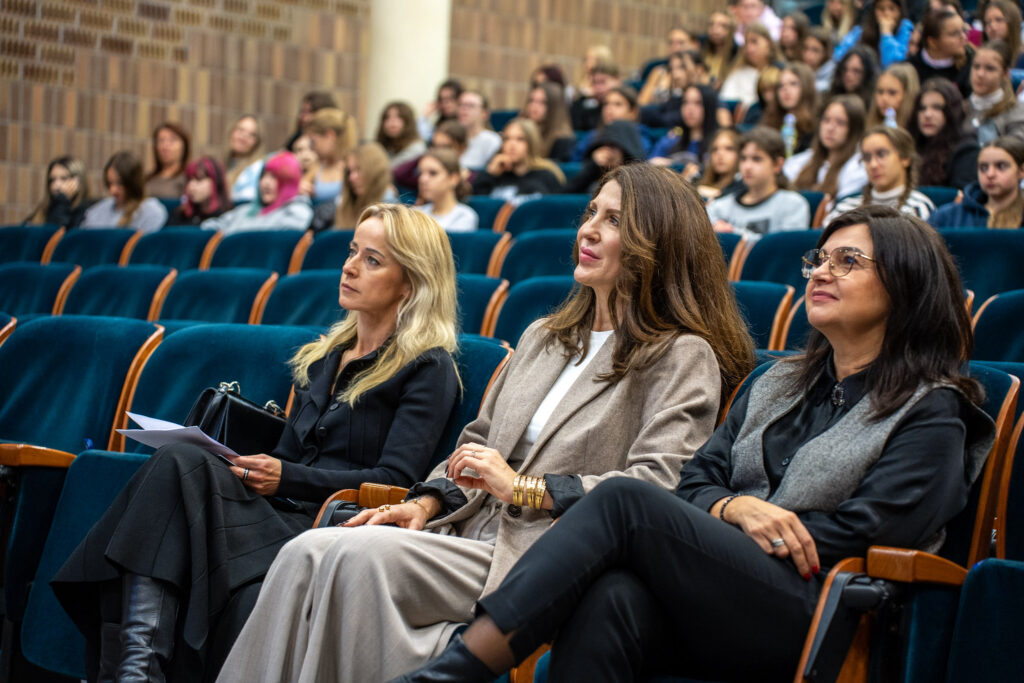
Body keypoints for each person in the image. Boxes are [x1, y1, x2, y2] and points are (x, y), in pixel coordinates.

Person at [395, 204, 995, 683]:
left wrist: (750, 525)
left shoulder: (934, 411)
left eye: (848, 260)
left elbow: (871, 534)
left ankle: (452, 674)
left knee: (625, 501)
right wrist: (733, 507)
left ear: (907, 285)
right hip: (724, 593)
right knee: (613, 597)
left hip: (823, 609)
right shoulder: (777, 382)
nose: (819, 271)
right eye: (819, 258)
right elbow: (697, 480)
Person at [216, 163, 757, 683]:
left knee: (349, 562)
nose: (588, 229)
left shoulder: (680, 356)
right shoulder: (544, 337)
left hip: (541, 554)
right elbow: (475, 444)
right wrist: (424, 502)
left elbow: (657, 486)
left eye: (613, 221)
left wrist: (521, 486)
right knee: (306, 552)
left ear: (656, 244)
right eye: (591, 212)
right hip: (465, 529)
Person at [53, 203, 461, 683]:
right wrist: (246, 464)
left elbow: (395, 481)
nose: (349, 266)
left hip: (325, 528)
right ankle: (138, 671)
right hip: (271, 513)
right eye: (353, 251)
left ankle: (135, 671)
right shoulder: (325, 356)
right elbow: (290, 453)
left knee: (179, 467)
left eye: (373, 260)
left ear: (410, 283)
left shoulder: (428, 369)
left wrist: (284, 476)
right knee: (181, 462)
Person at [707, 126, 812, 240]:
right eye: (743, 158)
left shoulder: (793, 205)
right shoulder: (719, 207)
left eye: (756, 159)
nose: (747, 166)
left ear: (777, 165)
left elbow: (784, 250)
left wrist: (732, 232)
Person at [825, 126, 936, 223]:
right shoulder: (845, 207)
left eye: (881, 154)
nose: (873, 165)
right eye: (867, 157)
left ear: (905, 158)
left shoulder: (919, 207)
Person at [785, 94, 869, 205]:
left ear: (854, 129)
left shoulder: (858, 167)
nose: (830, 128)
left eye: (840, 123)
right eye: (826, 120)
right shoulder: (802, 159)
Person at [201, 152, 313, 234]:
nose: (265, 183)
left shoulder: (296, 212)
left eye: (274, 177)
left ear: (289, 181)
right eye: (263, 176)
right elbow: (209, 227)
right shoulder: (245, 210)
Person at [930, 135, 1024, 228]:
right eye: (983, 168)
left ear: (1021, 171)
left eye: (1001, 166)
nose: (990, 174)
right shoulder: (947, 217)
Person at [909, 77, 980, 189]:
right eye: (922, 108)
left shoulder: (966, 149)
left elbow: (959, 195)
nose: (927, 115)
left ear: (952, 111)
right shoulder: (913, 145)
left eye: (937, 108)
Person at [471, 118, 564, 202]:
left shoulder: (546, 175)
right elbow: (478, 205)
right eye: (507, 139)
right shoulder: (496, 175)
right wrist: (490, 174)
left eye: (520, 139)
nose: (512, 145)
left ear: (531, 143)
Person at [81, 151, 168, 233]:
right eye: (109, 183)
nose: (113, 190)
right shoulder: (98, 210)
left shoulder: (151, 211)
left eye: (119, 184)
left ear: (133, 183)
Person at [649, 85, 719, 178]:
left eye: (698, 103)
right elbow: (650, 166)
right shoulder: (671, 140)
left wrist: (672, 165)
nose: (689, 109)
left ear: (709, 106)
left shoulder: (719, 144)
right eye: (685, 102)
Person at [563, 120, 645, 194]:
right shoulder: (593, 171)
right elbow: (566, 192)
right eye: (602, 145)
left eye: (612, 146)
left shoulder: (640, 178)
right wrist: (593, 165)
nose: (606, 151)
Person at [572, 86, 651, 161]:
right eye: (606, 104)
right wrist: (593, 161)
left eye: (618, 104)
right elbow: (575, 163)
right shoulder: (592, 136)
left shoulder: (641, 136)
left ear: (633, 112)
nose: (609, 109)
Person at [967, 40, 1024, 144]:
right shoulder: (959, 108)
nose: (980, 74)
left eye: (990, 68)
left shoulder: (1017, 112)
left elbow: (1016, 150)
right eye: (976, 66)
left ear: (1006, 74)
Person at [718, 22, 782, 113]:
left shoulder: (780, 71)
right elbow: (724, 102)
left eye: (754, 42)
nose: (749, 48)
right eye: (746, 43)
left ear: (768, 43)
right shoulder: (738, 74)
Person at [909, 9, 973, 97]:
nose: (964, 37)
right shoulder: (911, 68)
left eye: (963, 30)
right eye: (954, 33)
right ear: (932, 42)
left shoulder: (972, 63)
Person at [833, 0, 914, 68]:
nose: (886, 13)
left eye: (891, 9)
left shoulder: (906, 31)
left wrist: (886, 34)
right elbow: (839, 56)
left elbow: (893, 65)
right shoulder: (861, 31)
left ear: (899, 11)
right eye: (881, 9)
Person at [335, 143, 399, 229]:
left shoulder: (388, 205)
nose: (351, 178)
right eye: (349, 171)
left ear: (375, 171)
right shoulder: (343, 202)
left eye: (358, 169)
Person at [302, 108, 358, 204]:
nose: (312, 148)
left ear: (330, 136)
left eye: (313, 141)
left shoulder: (353, 168)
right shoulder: (317, 167)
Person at [414, 149, 479, 232]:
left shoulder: (465, 216)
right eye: (420, 173)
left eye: (433, 173)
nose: (422, 179)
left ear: (453, 179)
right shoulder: (417, 213)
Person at [761, 62, 819, 155]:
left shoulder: (818, 125)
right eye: (781, 86)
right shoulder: (769, 123)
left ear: (807, 86)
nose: (786, 89)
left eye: (793, 84)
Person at [24, 156, 92, 229]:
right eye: (52, 180)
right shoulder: (44, 208)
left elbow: (56, 231)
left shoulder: (87, 211)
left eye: (63, 178)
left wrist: (63, 198)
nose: (56, 186)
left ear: (78, 181)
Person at [167, 157, 232, 226]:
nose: (191, 187)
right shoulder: (179, 216)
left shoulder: (230, 217)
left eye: (199, 179)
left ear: (216, 182)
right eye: (189, 180)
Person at [637, 29, 696, 105]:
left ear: (694, 45)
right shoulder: (659, 71)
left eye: (681, 43)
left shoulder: (697, 70)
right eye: (671, 43)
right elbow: (642, 102)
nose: (675, 47)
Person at [522, 82, 576, 161]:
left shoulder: (563, 141)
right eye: (531, 100)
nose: (534, 106)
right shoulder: (521, 133)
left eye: (542, 102)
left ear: (554, 108)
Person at [458, 91, 503, 172]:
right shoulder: (453, 137)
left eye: (470, 105)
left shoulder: (492, 140)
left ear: (484, 113)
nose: (464, 109)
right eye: (461, 104)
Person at [864, 62, 920, 128]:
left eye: (892, 92)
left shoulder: (917, 129)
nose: (884, 98)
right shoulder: (868, 126)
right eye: (880, 92)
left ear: (908, 94)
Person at [223, 115, 264, 204]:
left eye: (251, 134)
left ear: (257, 142)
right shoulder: (224, 164)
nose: (244, 136)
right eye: (240, 130)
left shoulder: (257, 169)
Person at [570, 62, 622, 132]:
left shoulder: (628, 105)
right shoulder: (583, 106)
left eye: (602, 82)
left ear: (617, 80)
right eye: (594, 83)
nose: (598, 88)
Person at [144, 122, 190, 199]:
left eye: (172, 140)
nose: (165, 146)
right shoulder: (148, 179)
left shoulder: (188, 179)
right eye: (161, 140)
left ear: (184, 146)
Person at [696, 128, 744, 201]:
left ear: (740, 153)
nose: (720, 154)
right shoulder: (699, 176)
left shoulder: (743, 184)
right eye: (715, 149)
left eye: (729, 148)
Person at [377, 101, 428, 169]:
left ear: (408, 122)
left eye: (398, 117)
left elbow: (388, 171)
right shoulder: (386, 145)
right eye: (387, 117)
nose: (392, 122)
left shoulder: (416, 148)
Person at [830, 45, 880, 110]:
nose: (848, 74)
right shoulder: (830, 100)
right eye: (845, 69)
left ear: (867, 74)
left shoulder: (874, 106)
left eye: (856, 71)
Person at [700, 11, 739, 86]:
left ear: (731, 30)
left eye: (723, 26)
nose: (715, 29)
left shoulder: (736, 54)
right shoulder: (701, 48)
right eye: (711, 24)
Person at [981, 0, 1023, 68]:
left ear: (1012, 22)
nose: (993, 27)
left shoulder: (1022, 57)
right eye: (988, 22)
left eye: (999, 20)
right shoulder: (980, 59)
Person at [804, 27, 837, 93]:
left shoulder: (834, 75)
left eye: (815, 50)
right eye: (806, 48)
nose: (808, 54)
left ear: (825, 52)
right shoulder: (800, 68)